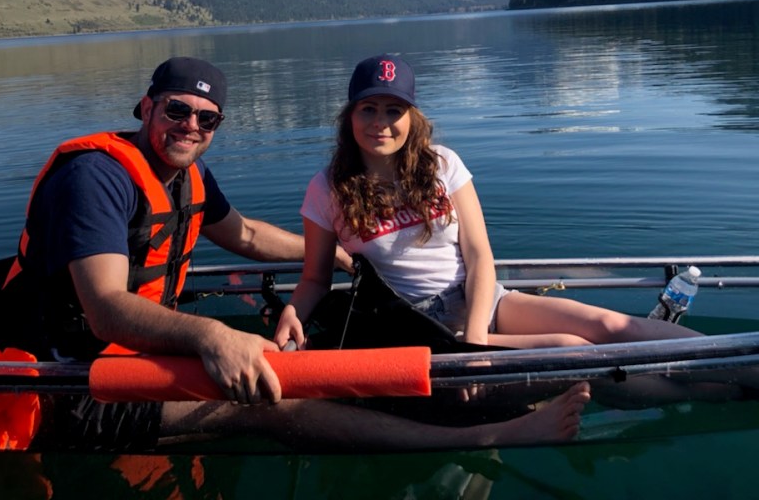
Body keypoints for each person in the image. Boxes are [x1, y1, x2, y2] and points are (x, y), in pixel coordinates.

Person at [0, 56, 590, 452]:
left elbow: (250, 238)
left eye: (208, 120)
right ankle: (489, 438)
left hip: (129, 355)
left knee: (280, 364)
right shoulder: (95, 178)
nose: (191, 127)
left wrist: (341, 255)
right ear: (146, 107)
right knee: (277, 399)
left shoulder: (187, 178)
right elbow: (104, 310)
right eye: (177, 111)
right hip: (68, 381)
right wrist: (211, 334)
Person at [274, 53, 704, 358]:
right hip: (414, 324)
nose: (381, 122)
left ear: (412, 118)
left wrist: (476, 334)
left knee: (608, 326)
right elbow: (315, 278)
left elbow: (479, 257)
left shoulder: (443, 165)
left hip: (480, 298)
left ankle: (735, 364)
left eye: (394, 109)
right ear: (350, 116)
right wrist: (293, 312)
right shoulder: (328, 189)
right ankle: (708, 394)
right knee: (571, 350)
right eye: (368, 108)